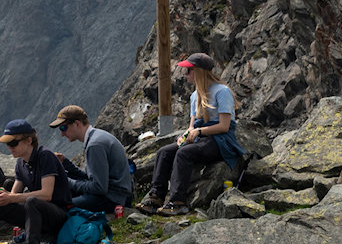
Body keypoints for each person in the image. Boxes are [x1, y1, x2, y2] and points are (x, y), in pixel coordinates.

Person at [137, 54, 244, 215]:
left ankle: (177, 201)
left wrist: (198, 131)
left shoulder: (222, 92)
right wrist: (185, 136)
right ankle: (155, 197)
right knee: (164, 152)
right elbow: (192, 126)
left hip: (221, 140)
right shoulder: (195, 95)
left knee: (184, 153)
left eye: (188, 70)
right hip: (202, 138)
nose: (185, 74)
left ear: (199, 71)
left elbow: (224, 126)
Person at [49, 105, 133, 213]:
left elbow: (99, 187)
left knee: (59, 207)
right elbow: (93, 178)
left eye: (63, 128)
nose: (62, 134)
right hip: (115, 194)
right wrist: (65, 163)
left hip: (113, 199)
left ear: (77, 124)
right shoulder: (96, 137)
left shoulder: (95, 145)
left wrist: (67, 181)